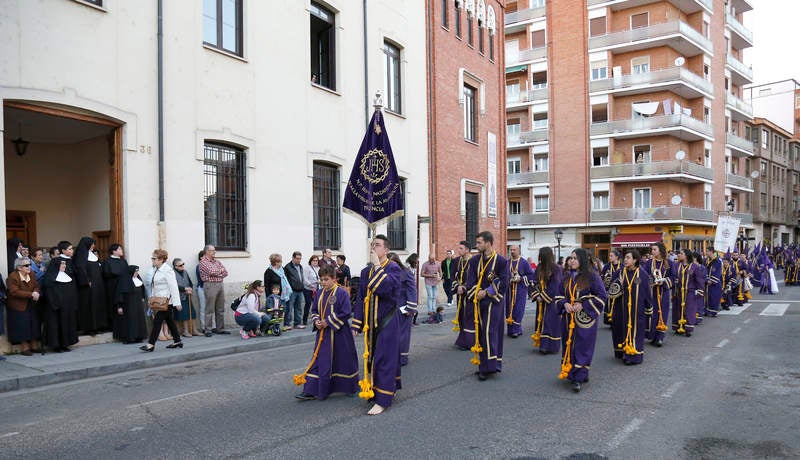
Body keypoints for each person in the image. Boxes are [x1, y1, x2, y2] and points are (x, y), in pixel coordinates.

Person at [352, 234, 403, 415]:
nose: (374, 248)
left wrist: (377, 265)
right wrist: (357, 323)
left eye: (378, 245)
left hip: (387, 321)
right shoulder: (366, 272)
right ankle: (376, 390)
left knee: (385, 359)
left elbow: (387, 289)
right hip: (369, 325)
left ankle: (383, 400)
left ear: (386, 250)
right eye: (372, 245)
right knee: (371, 359)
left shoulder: (393, 268)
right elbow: (361, 298)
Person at [295, 265, 359, 401]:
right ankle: (311, 389)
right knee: (319, 359)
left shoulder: (341, 293)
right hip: (323, 335)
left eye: (326, 279)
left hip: (340, 334)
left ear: (334, 279)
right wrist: (317, 321)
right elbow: (314, 311)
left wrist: (328, 322)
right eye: (321, 280)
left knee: (343, 359)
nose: (323, 282)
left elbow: (346, 312)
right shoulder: (319, 293)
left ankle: (349, 386)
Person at [557, 248, 608, 392]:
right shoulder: (566, 277)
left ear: (582, 260)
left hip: (585, 319)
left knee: (582, 346)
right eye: (571, 258)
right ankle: (571, 371)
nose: (571, 261)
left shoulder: (592, 276)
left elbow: (602, 296)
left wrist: (583, 303)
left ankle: (578, 377)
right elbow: (559, 295)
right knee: (569, 344)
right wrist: (564, 304)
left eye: (575, 258)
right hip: (568, 319)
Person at [464, 231, 509, 381]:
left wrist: (487, 292)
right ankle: (486, 364)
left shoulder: (501, 261)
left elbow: (504, 282)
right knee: (481, 333)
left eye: (479, 243)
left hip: (494, 302)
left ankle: (489, 367)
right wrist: (475, 293)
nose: (477, 246)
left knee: (490, 332)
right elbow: (470, 281)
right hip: (479, 302)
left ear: (488, 243)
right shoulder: (474, 261)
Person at [613, 249, 651, 365]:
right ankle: (626, 353)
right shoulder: (620, 272)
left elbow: (647, 292)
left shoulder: (642, 274)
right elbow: (611, 289)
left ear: (635, 260)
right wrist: (618, 284)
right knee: (625, 329)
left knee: (637, 331)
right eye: (625, 257)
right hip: (623, 308)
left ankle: (635, 356)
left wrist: (648, 308)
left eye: (628, 257)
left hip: (637, 309)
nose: (625, 260)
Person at [141, 249, 183, 352]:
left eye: (154, 258)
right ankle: (177, 340)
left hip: (166, 301)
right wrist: (151, 298)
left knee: (157, 321)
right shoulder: (155, 270)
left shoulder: (167, 270)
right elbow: (153, 286)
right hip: (159, 300)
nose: (152, 260)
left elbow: (173, 287)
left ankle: (151, 344)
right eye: (152, 258)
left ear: (161, 259)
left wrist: (177, 303)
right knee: (170, 321)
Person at [41, 241, 79, 352]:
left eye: (64, 265)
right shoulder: (50, 278)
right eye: (61, 264)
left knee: (67, 323)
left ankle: (65, 344)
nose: (63, 266)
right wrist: (54, 302)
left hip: (67, 305)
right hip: (56, 306)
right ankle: (56, 346)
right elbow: (48, 288)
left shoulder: (68, 277)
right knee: (56, 325)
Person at [530, 246, 563, 355]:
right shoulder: (539, 267)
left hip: (552, 301)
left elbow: (555, 285)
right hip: (541, 301)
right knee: (542, 321)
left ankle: (551, 346)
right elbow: (534, 282)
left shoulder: (556, 268)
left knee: (550, 322)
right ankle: (542, 345)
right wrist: (536, 294)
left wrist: (543, 296)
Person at [6, 257, 41, 356]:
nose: (29, 267)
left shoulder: (32, 274)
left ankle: (34, 345)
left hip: (31, 303)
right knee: (22, 326)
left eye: (29, 264)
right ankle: (24, 347)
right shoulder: (13, 276)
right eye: (26, 265)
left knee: (33, 323)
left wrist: (36, 292)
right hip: (18, 305)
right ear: (19, 267)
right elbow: (14, 291)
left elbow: (36, 286)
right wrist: (31, 294)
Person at [74, 236, 108, 335]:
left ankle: (98, 325)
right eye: (92, 243)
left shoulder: (91, 255)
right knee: (89, 306)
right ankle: (89, 328)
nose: (94, 245)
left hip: (97, 284)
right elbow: (80, 269)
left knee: (98, 304)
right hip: (88, 286)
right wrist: (86, 280)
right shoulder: (81, 255)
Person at [642, 242, 671, 347]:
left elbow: (674, 277)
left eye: (654, 249)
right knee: (653, 314)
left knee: (663, 313)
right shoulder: (649, 263)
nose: (652, 252)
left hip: (664, 292)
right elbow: (644, 275)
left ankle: (660, 338)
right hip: (652, 292)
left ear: (660, 250)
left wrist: (664, 281)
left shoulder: (668, 262)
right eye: (652, 250)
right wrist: (651, 280)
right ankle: (652, 335)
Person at [393, 253, 418, 366]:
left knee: (403, 333)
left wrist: (410, 308)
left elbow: (412, 290)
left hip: (404, 308)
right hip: (391, 308)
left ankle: (402, 358)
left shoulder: (406, 273)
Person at [199, 245, 229, 336]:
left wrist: (218, 272)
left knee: (220, 308)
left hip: (220, 284)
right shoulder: (203, 262)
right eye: (212, 250)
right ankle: (208, 329)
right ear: (207, 251)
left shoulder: (217, 262)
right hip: (210, 285)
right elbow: (211, 272)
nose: (214, 252)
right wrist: (220, 271)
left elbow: (226, 273)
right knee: (209, 308)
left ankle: (220, 328)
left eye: (214, 250)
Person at [672, 249, 703, 337]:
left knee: (689, 310)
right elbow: (673, 276)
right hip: (678, 291)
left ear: (686, 256)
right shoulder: (676, 265)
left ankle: (688, 329)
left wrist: (700, 290)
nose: (679, 255)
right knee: (677, 309)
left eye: (681, 254)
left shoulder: (694, 267)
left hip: (689, 292)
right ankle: (678, 327)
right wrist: (675, 281)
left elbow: (699, 279)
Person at [113, 265, 147, 344]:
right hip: (128, 305)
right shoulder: (123, 282)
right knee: (130, 321)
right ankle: (130, 338)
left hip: (138, 305)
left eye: (137, 271)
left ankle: (139, 336)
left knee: (139, 320)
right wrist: (119, 306)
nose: (137, 273)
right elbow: (119, 295)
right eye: (135, 271)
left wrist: (142, 297)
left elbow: (142, 289)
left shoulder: (138, 280)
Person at [506, 244, 533, 338]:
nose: (512, 251)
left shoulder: (524, 262)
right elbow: (503, 275)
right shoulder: (507, 262)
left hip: (520, 291)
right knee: (509, 310)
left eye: (514, 250)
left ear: (518, 251)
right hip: (509, 291)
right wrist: (509, 279)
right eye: (511, 250)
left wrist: (520, 279)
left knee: (518, 310)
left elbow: (531, 276)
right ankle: (511, 329)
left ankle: (516, 330)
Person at [452, 240, 473, 350]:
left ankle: (470, 341)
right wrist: (457, 287)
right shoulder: (456, 261)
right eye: (459, 248)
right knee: (461, 316)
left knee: (469, 317)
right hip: (460, 294)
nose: (459, 250)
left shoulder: (474, 261)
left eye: (461, 248)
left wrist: (464, 287)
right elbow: (452, 277)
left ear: (467, 250)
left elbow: (475, 278)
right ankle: (463, 340)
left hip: (470, 294)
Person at [265, 253, 294, 330]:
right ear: (275, 262)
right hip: (274, 296)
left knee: (284, 310)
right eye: (280, 261)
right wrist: (268, 297)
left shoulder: (282, 269)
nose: (281, 263)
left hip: (285, 294)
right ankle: (271, 327)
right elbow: (267, 285)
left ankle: (284, 325)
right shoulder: (269, 271)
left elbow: (286, 280)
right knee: (274, 313)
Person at [172, 258, 198, 337]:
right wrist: (184, 289)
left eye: (183, 264)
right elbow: (174, 285)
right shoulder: (172, 273)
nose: (182, 266)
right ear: (175, 266)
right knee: (183, 314)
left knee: (192, 313)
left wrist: (190, 288)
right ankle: (185, 331)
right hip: (179, 296)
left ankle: (194, 330)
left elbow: (190, 282)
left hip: (187, 295)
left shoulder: (185, 272)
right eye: (180, 265)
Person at [284, 251, 307, 330]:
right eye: (297, 258)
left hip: (300, 290)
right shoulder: (288, 267)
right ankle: (287, 324)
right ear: (293, 258)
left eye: (300, 259)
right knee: (289, 308)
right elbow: (286, 280)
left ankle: (297, 323)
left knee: (299, 308)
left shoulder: (300, 266)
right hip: (292, 291)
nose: (299, 260)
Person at [601, 250, 622, 326]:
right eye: (609, 256)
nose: (610, 257)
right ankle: (610, 320)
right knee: (609, 304)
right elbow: (602, 276)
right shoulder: (607, 266)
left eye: (611, 256)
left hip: (619, 290)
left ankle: (617, 320)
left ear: (616, 257)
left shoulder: (622, 266)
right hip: (609, 289)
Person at [420, 253, 441, 323]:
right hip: (428, 282)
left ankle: (434, 310)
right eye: (430, 259)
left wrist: (440, 277)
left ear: (434, 258)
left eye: (432, 259)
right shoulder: (425, 264)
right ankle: (430, 311)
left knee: (434, 296)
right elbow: (422, 274)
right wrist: (430, 275)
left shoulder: (438, 263)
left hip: (435, 282)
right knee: (430, 296)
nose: (431, 260)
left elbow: (440, 271)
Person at [194, 250, 211, 334]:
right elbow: (204, 278)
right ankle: (204, 327)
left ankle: (212, 326)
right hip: (202, 288)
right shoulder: (199, 266)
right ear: (201, 257)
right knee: (203, 308)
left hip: (211, 289)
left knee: (211, 308)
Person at [704, 246, 723, 317]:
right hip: (706, 282)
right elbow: (703, 270)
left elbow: (718, 272)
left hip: (714, 283)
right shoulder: (705, 260)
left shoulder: (717, 261)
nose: (706, 252)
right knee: (707, 297)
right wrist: (705, 279)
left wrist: (711, 280)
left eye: (707, 251)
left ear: (711, 252)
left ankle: (713, 311)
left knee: (714, 297)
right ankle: (706, 311)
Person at [302, 255, 320, 326]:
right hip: (308, 289)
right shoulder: (307, 268)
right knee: (308, 304)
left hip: (317, 289)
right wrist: (310, 284)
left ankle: (316, 318)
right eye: (314, 260)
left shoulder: (319, 268)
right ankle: (304, 320)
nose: (315, 262)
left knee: (316, 305)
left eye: (316, 261)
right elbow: (305, 279)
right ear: (311, 261)